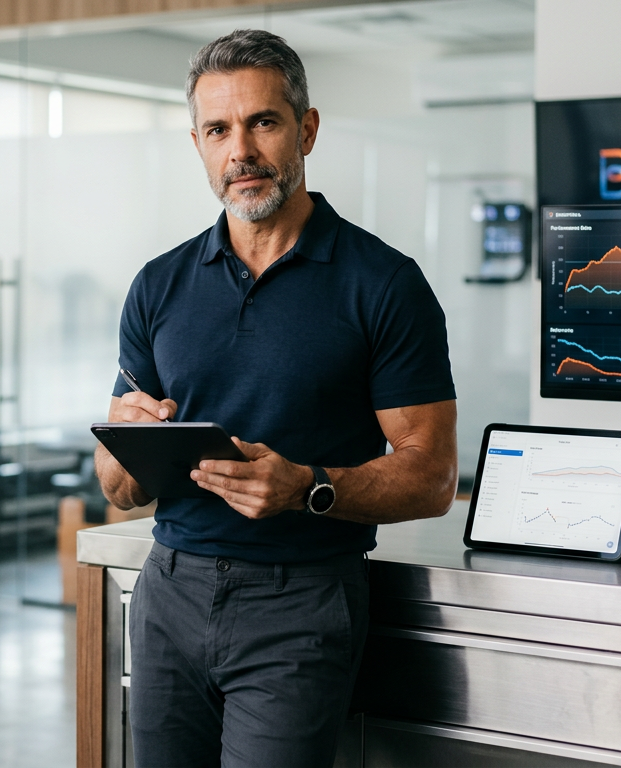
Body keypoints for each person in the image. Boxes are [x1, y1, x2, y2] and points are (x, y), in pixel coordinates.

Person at [93, 29, 459, 768]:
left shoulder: (383, 284)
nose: (242, 152)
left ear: (306, 130)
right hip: (168, 592)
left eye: (263, 122)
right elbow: (121, 489)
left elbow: (432, 475)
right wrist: (120, 433)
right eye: (219, 130)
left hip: (303, 602)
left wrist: (307, 489)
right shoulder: (158, 285)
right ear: (196, 142)